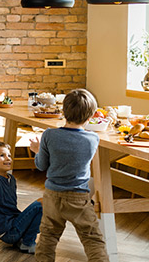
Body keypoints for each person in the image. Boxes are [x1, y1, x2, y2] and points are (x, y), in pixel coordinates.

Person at [29, 89, 109, 262]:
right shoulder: (93, 139)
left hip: (52, 196)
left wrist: (37, 150)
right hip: (78, 197)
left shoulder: (49, 135)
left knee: (48, 237)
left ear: (63, 112)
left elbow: (41, 165)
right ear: (91, 117)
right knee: (92, 238)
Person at [0, 141, 42, 254]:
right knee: (42, 203)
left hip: (12, 225)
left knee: (41, 206)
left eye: (9, 155)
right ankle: (27, 243)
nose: (8, 158)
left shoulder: (11, 179)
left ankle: (23, 240)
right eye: (2, 155)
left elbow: (2, 208)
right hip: (8, 232)